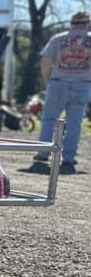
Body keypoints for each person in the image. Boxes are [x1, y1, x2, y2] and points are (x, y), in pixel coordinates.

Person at [31, 11, 91, 173]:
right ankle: (69, 158)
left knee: (49, 119)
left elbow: (46, 61)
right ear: (88, 24)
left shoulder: (58, 38)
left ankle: (44, 153)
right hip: (83, 85)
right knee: (75, 123)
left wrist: (48, 79)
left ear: (71, 23)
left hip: (58, 84)